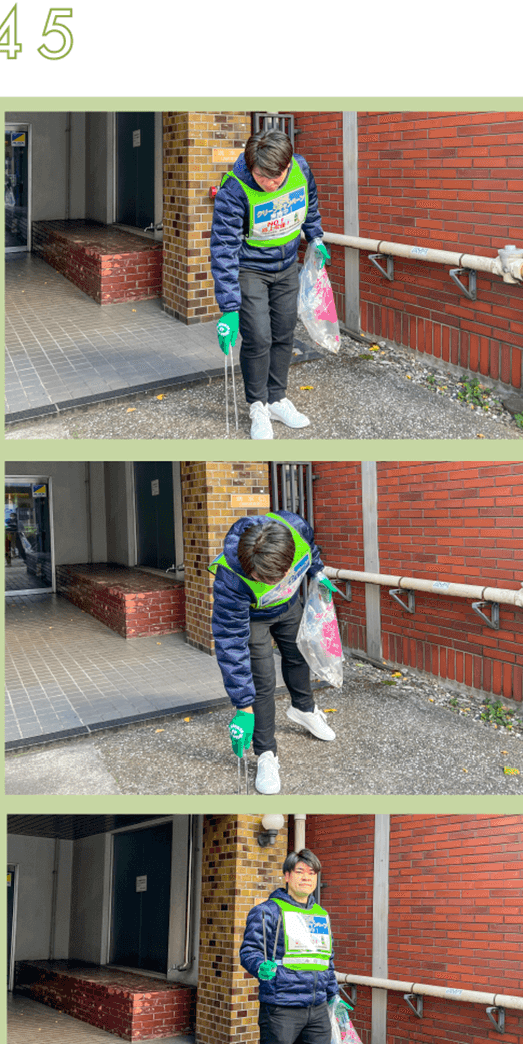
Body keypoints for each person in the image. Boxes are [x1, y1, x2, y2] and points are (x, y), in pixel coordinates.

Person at [227, 849, 367, 1044]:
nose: (307, 878)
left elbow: (325, 961)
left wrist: (333, 995)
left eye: (312, 873)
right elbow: (249, 951)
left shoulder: (320, 916)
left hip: (316, 1008)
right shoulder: (267, 912)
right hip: (282, 1005)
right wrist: (259, 967)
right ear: (287, 876)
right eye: (300, 871)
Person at [211, 128, 327, 440]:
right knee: (259, 337)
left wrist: (315, 237)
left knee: (284, 330)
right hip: (251, 270)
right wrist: (229, 309)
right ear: (251, 168)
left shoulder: (300, 169)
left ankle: (277, 398)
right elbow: (223, 249)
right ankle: (258, 406)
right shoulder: (234, 191)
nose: (272, 184)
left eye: (277, 177)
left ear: (288, 165)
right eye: (263, 177)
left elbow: (310, 203)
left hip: (287, 265)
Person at [210, 511, 337, 794]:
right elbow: (230, 642)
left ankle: (303, 709)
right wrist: (243, 706)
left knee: (299, 654)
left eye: (273, 577)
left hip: (288, 606)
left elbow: (311, 549)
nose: (268, 583)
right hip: (253, 618)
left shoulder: (296, 527)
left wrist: (317, 570)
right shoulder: (231, 578)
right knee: (262, 684)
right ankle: (266, 753)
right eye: (261, 578)